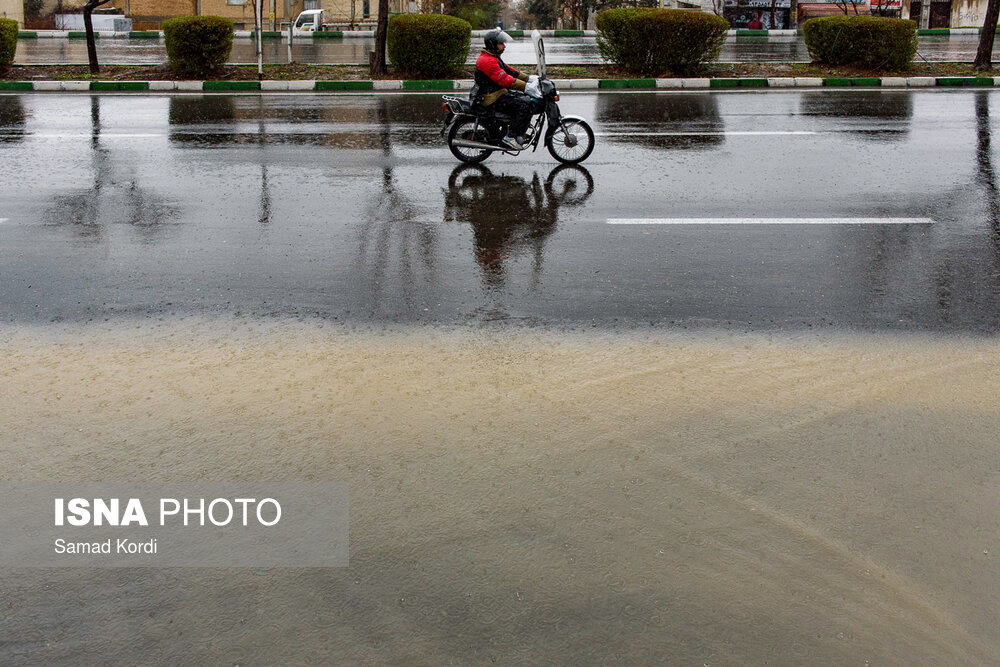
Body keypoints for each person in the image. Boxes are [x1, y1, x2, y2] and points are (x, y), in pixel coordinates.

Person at [475, 28, 534, 151]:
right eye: (501, 43)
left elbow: (509, 70)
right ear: (493, 44)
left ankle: (517, 132)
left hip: (496, 92)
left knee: (525, 100)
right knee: (524, 104)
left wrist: (530, 79)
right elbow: (505, 79)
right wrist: (526, 86)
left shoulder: (492, 57)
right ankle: (511, 137)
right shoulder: (487, 61)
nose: (504, 46)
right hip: (491, 97)